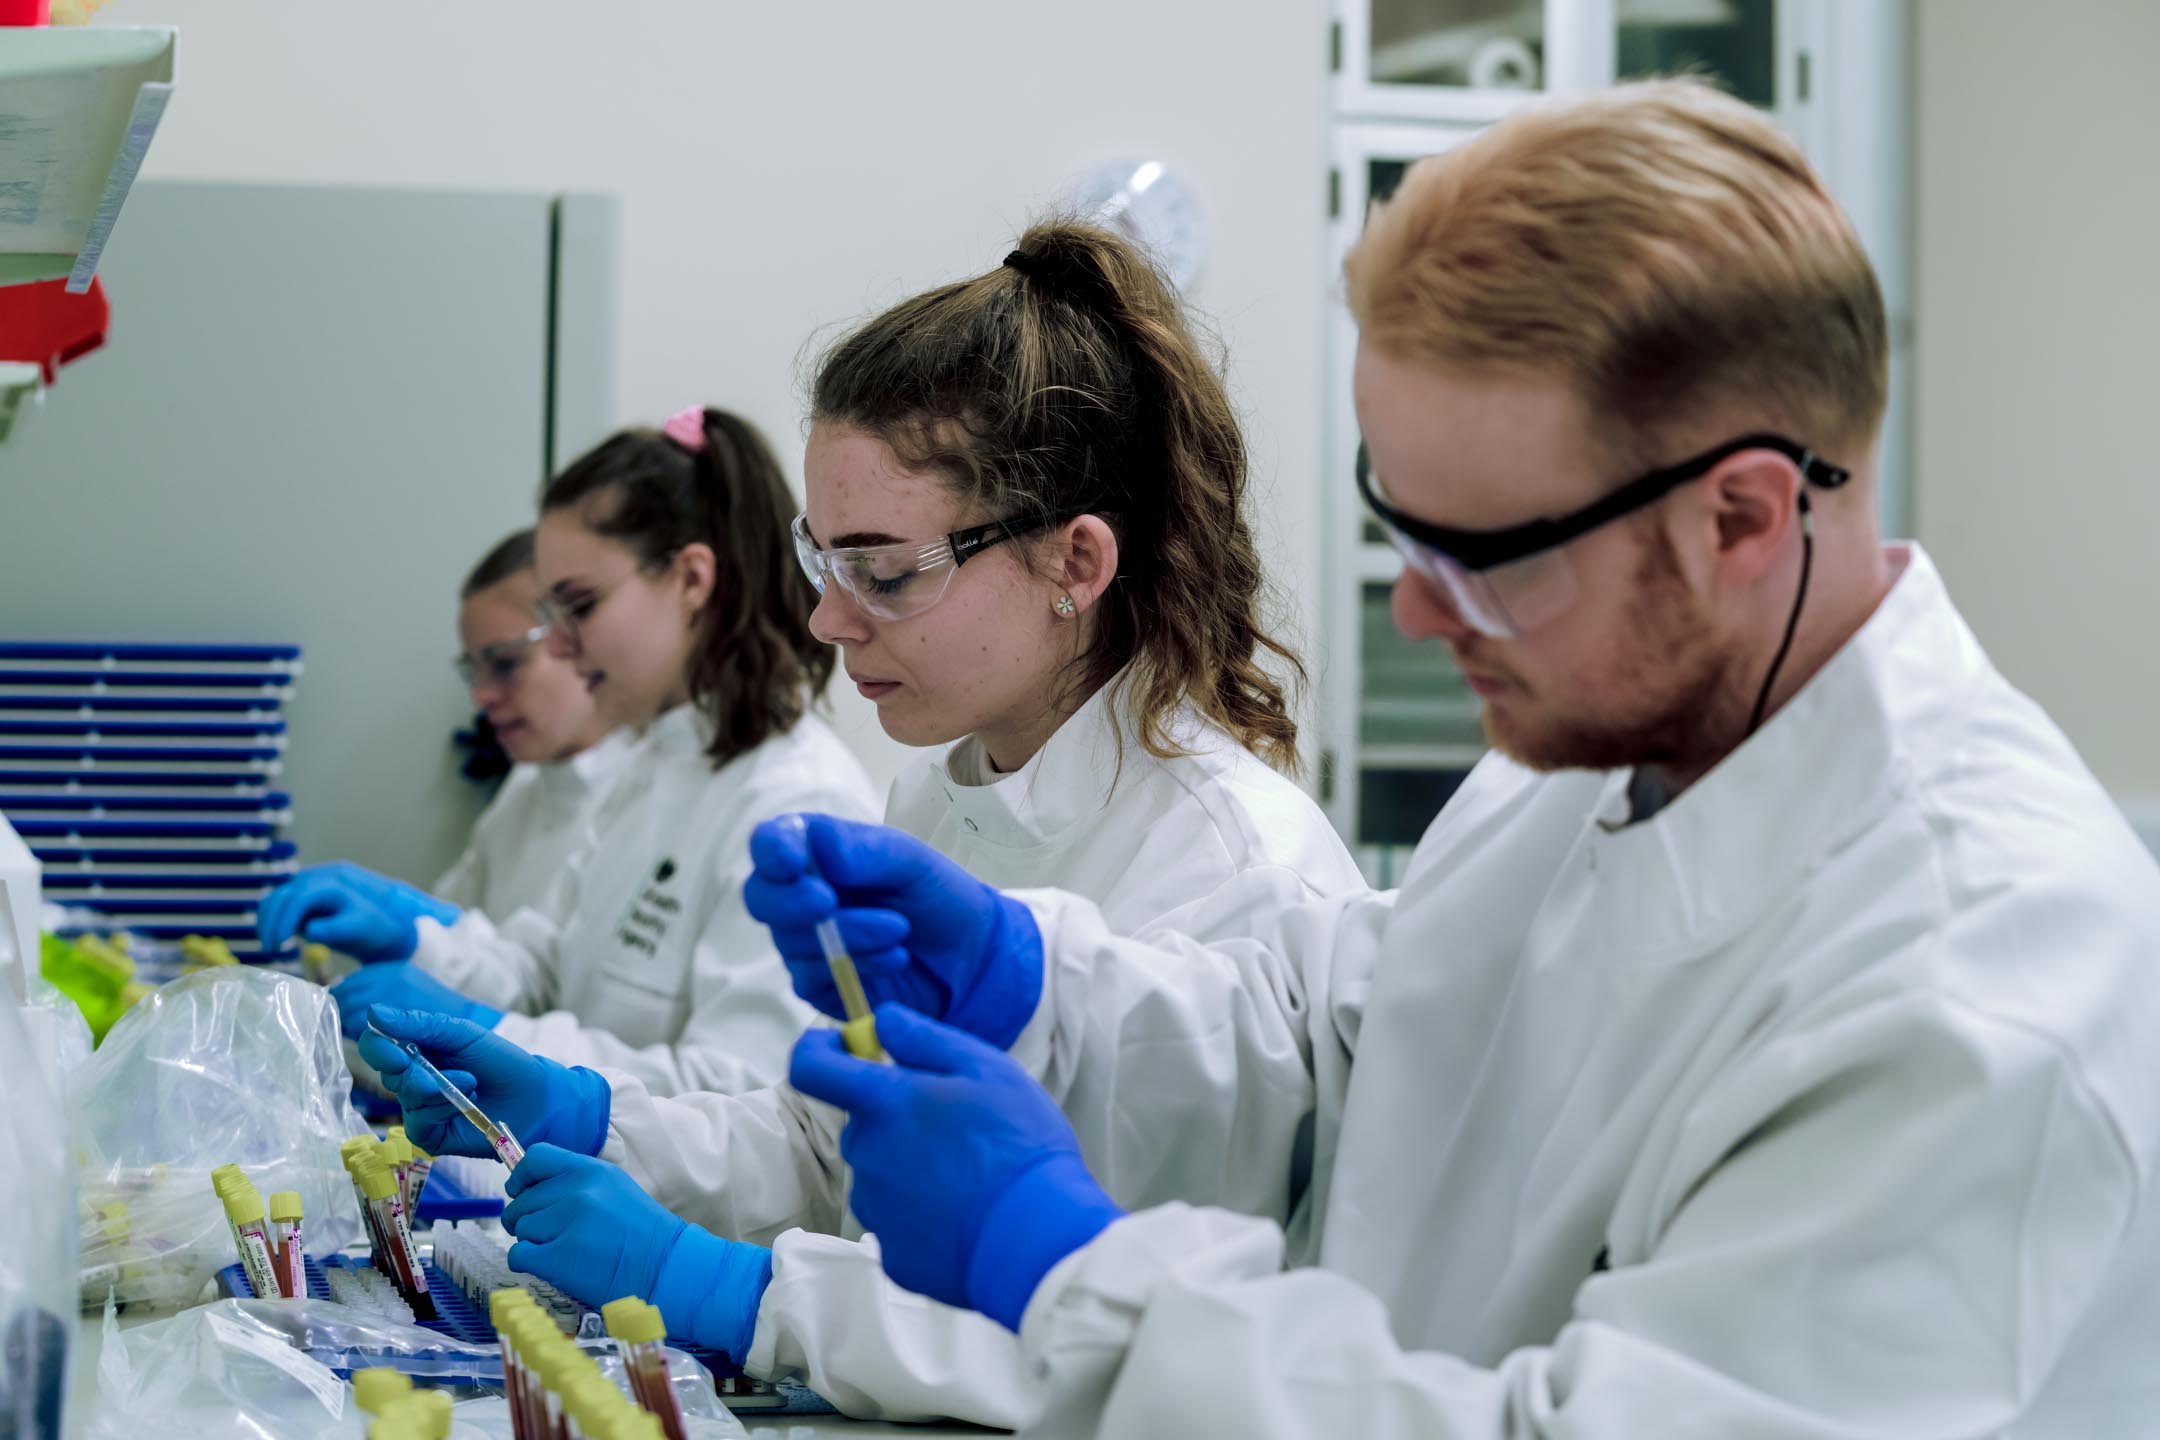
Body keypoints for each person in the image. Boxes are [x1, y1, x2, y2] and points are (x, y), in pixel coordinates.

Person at [758, 79, 2160, 1437]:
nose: (1418, 613)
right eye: (1399, 530)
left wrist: (1061, 1271)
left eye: (1483, 556)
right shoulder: (1573, 772)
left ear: (1741, 519)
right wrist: (1036, 988)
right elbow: (1347, 1060)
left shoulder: (1981, 981)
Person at [360, 220, 1369, 1423]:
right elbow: (841, 1147)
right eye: (823, 562)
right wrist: (597, 1118)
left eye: (884, 573)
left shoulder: (1237, 868)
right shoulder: (938, 797)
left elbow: (1131, 1345)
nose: (832, 622)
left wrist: (746, 1296)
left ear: (1076, 564)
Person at [260, 407, 879, 1097]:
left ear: (691, 580)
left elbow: (744, 1098)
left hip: (684, 1206)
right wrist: (419, 942)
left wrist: (485, 1030)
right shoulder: (650, 766)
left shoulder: (797, 802)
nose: (557, 645)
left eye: (579, 607)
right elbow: (543, 974)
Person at [434, 527, 631, 920]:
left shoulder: (644, 791)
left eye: (505, 663)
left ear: (572, 637)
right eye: (473, 672)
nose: (481, 696)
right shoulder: (523, 789)